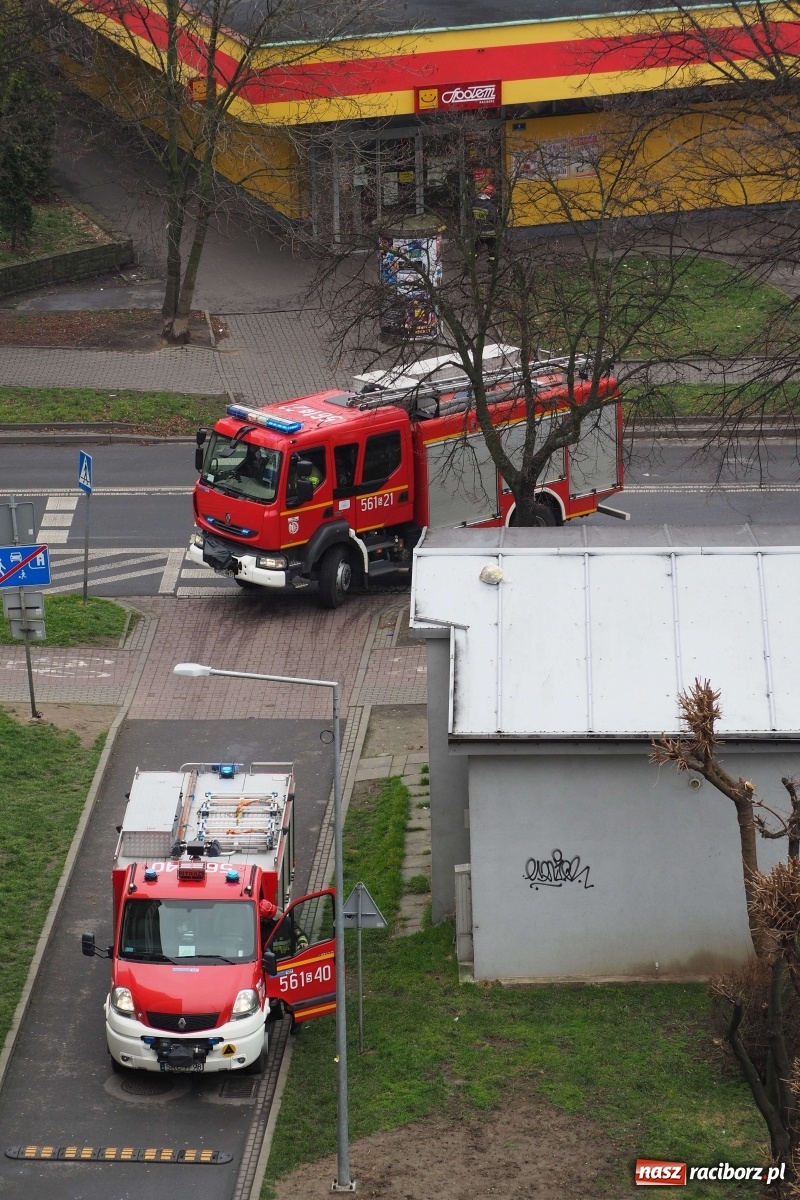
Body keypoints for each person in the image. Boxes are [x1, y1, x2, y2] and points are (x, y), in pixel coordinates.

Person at [472, 184, 498, 262]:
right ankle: (492, 266)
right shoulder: (489, 206)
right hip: (490, 233)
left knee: (475, 250)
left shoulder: (474, 203)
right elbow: (494, 219)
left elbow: (471, 215)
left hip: (478, 231)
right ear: (490, 194)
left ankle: (469, 266)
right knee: (492, 251)